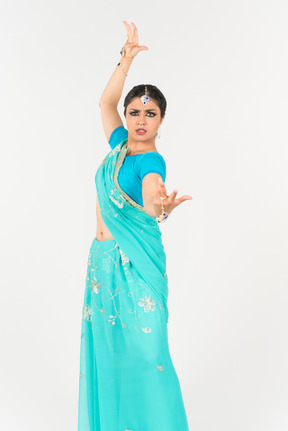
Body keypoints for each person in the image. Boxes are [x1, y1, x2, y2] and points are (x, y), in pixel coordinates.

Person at [78, 21, 192, 431]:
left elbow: (150, 202)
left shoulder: (151, 162)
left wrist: (161, 207)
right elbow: (104, 105)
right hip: (101, 263)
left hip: (134, 267)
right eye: (135, 112)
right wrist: (125, 61)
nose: (141, 119)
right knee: (109, 354)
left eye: (151, 113)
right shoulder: (119, 147)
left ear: (162, 120)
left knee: (147, 354)